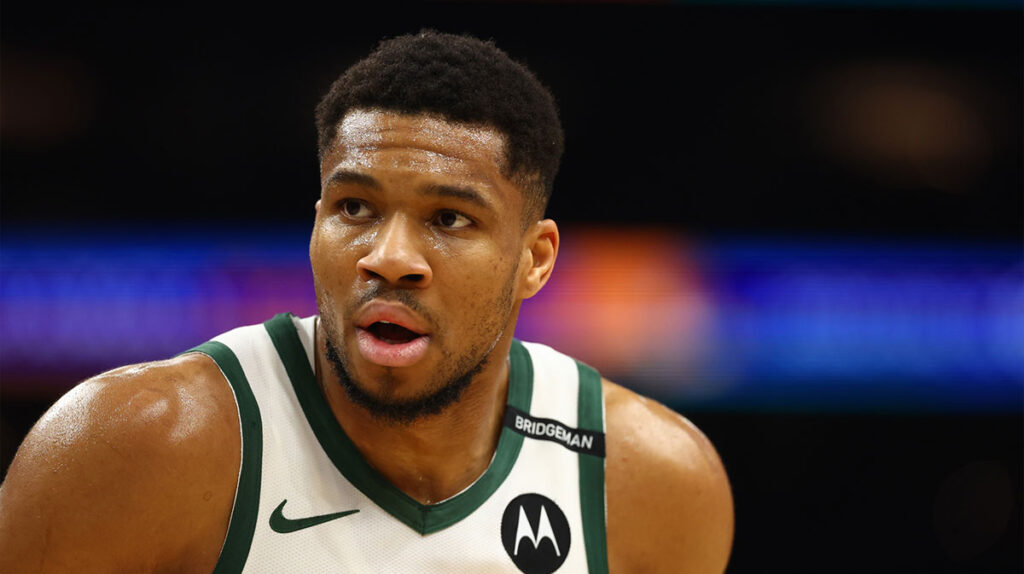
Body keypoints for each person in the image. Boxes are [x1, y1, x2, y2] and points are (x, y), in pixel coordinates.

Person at [0, 31, 733, 573]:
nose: (388, 257)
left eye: (449, 218)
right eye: (355, 208)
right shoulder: (137, 446)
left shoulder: (650, 482)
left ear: (534, 260)